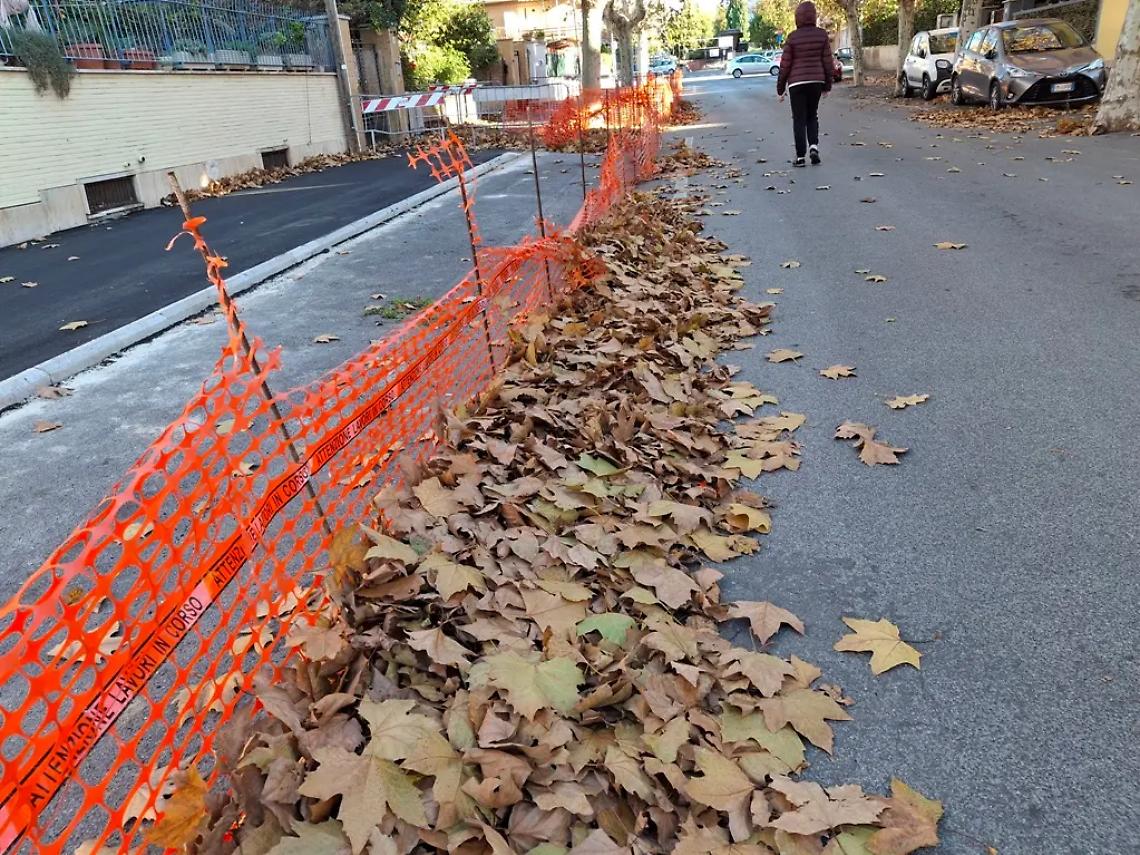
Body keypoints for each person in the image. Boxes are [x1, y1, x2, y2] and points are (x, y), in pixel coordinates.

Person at [775, 1, 833, 167]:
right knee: (812, 115)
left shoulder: (792, 37)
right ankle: (814, 147)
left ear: (797, 18)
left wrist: (780, 89)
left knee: (799, 119)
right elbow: (828, 62)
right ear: (814, 16)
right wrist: (827, 85)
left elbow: (785, 64)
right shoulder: (822, 35)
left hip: (796, 83)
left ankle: (800, 157)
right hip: (816, 80)